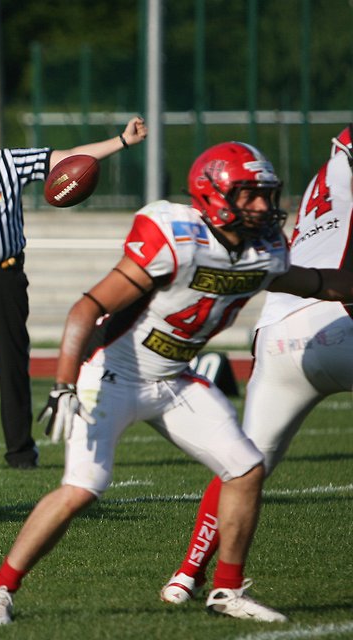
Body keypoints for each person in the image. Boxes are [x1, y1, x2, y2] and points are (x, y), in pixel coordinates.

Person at [0, 141, 353, 626]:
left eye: (265, 194)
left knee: (246, 468)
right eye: (249, 195)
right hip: (114, 374)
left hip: (174, 379)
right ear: (214, 195)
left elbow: (318, 285)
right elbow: (86, 308)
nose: (262, 206)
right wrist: (64, 383)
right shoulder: (176, 236)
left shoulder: (264, 251)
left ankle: (227, 589)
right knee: (82, 487)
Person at [159, 126, 353, 605]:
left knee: (244, 463)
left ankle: (186, 576)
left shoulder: (320, 183)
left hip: (277, 332)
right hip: (336, 313)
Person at [0, 102, 147, 471]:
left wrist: (122, 141)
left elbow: (67, 159)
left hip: (5, 277)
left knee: (12, 363)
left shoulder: (9, 162)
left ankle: (20, 449)